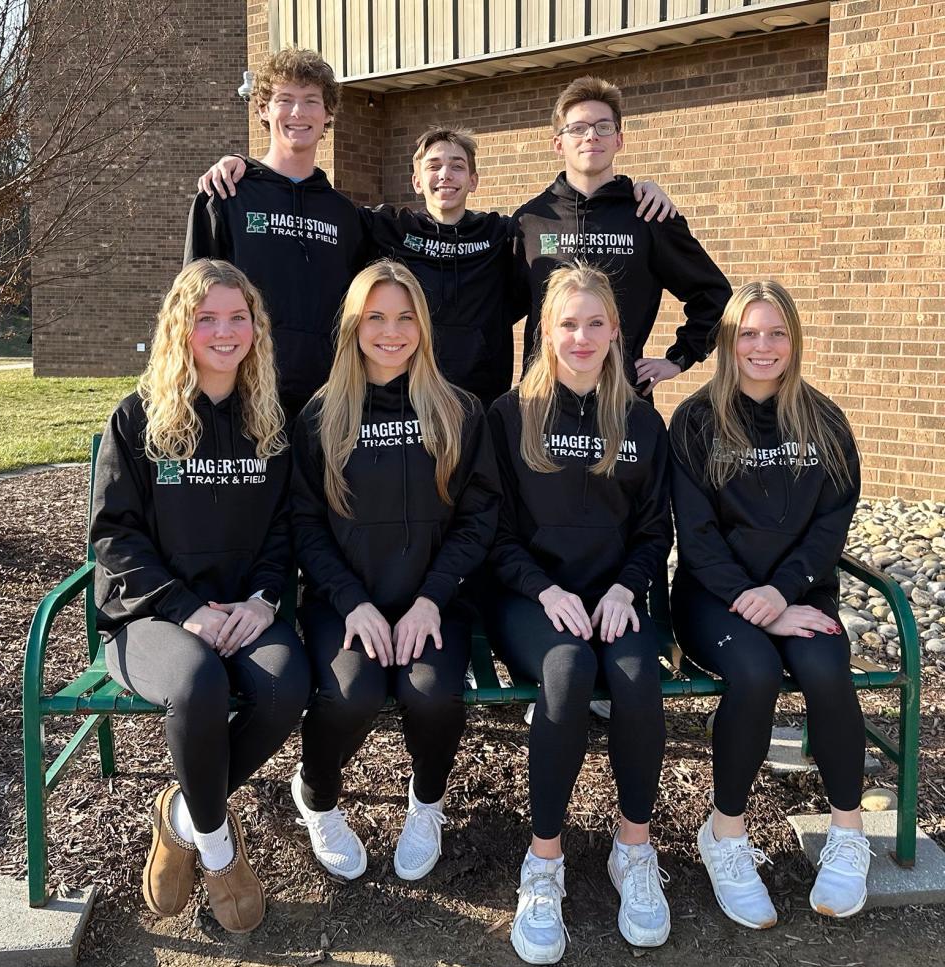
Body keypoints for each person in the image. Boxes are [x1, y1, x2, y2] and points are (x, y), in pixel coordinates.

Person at [90, 259, 311, 933]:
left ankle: (181, 814)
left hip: (244, 608)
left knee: (285, 685)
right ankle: (218, 849)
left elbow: (286, 529)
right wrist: (185, 608)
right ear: (180, 328)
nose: (223, 331)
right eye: (206, 318)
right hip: (150, 615)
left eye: (237, 317)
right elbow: (113, 538)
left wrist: (264, 600)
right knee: (198, 681)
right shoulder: (138, 420)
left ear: (256, 329)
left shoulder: (271, 422)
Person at [197, 123, 676, 410]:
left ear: (473, 179)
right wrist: (246, 165)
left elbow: (531, 283)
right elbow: (314, 211)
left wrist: (640, 189)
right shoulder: (384, 228)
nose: (444, 174)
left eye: (456, 165)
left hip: (477, 399)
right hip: (404, 398)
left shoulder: (500, 235)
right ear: (416, 177)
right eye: (433, 165)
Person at [485, 262, 672, 964]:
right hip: (531, 599)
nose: (582, 335)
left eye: (596, 322)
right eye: (568, 323)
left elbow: (656, 530)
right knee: (566, 674)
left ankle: (634, 846)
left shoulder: (642, 422)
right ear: (545, 332)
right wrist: (544, 589)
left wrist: (626, 587)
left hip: (614, 596)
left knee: (634, 676)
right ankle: (544, 862)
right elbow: (493, 531)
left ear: (616, 331)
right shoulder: (510, 416)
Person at [289, 259, 500, 881]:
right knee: (351, 695)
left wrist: (434, 597)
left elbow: (479, 517)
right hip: (344, 600)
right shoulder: (320, 416)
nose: (391, 330)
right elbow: (304, 525)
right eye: (376, 316)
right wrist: (351, 600)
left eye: (405, 316)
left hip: (433, 601)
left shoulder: (458, 411)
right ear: (354, 326)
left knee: (432, 696)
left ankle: (426, 803)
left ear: (423, 327)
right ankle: (317, 797)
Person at [669, 280, 868, 929]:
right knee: (754, 673)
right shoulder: (697, 422)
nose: (763, 345)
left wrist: (783, 596)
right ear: (728, 341)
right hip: (713, 599)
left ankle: (848, 831)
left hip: (802, 593)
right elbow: (695, 537)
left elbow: (830, 526)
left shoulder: (825, 421)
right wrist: (762, 606)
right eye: (748, 333)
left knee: (825, 670)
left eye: (776, 332)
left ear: (794, 340)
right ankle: (725, 835)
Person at [512, 75, 732, 396]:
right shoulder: (530, 222)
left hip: (624, 401)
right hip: (545, 401)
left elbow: (715, 297)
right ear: (558, 143)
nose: (591, 137)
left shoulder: (648, 214)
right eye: (578, 128)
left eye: (603, 127)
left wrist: (679, 358)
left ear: (619, 140)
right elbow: (492, 308)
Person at [184, 48, 366, 417]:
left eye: (311, 101)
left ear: (327, 113)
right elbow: (191, 303)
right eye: (285, 99)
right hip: (242, 397)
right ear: (264, 109)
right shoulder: (225, 196)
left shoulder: (346, 216)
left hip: (326, 403)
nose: (298, 113)